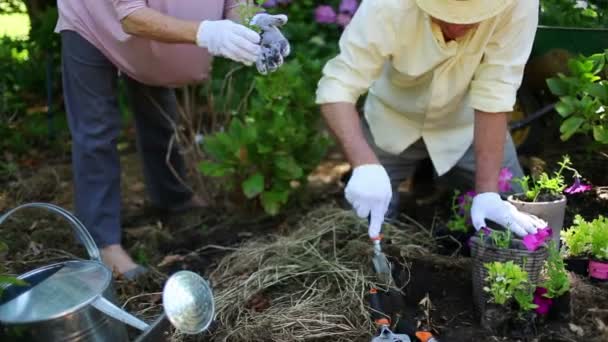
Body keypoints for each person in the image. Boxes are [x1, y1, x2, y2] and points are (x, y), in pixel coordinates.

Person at [55, 0, 289, 279]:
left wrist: (254, 22)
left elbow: (234, 3)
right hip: (92, 19)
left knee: (159, 115)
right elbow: (132, 17)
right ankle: (103, 244)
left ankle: (172, 197)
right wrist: (206, 33)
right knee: (97, 133)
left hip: (157, 34)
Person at [315, 0, 547, 239]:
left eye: (472, 17)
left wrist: (488, 192)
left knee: (517, 216)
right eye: (446, 15)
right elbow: (339, 85)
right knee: (360, 228)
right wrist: (364, 165)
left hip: (467, 127)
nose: (458, 27)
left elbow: (497, 89)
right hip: (392, 121)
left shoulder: (517, 4)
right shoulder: (386, 5)